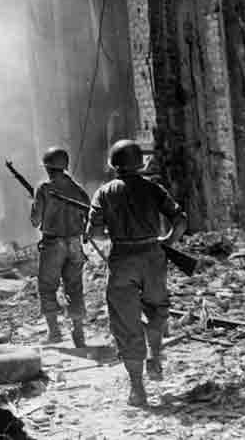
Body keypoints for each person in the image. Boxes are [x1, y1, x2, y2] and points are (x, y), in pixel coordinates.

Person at [86, 139, 188, 407]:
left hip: (122, 259)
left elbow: (95, 232)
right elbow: (180, 221)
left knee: (125, 322)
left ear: (113, 165)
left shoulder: (104, 193)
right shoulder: (154, 189)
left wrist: (107, 230)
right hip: (153, 256)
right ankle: (155, 356)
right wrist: (166, 242)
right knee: (157, 309)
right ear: (140, 163)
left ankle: (137, 390)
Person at [29, 147, 90, 347]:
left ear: (48, 167)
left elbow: (35, 220)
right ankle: (78, 332)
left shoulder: (44, 188)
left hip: (53, 244)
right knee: (74, 288)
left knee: (47, 287)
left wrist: (37, 206)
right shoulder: (78, 190)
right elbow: (89, 216)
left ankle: (54, 332)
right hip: (74, 244)